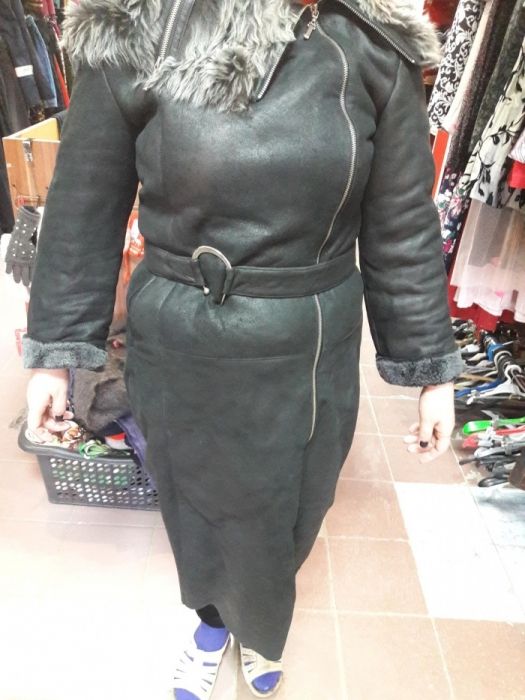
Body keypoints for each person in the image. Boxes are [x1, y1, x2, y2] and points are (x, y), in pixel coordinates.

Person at [22, 0, 463, 698]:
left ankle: (259, 627)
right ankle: (210, 625)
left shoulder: (374, 44)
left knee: (293, 505)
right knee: (196, 502)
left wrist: (430, 370)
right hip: (181, 338)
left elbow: (403, 223)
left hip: (308, 342)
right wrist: (56, 354)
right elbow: (83, 205)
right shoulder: (135, 29)